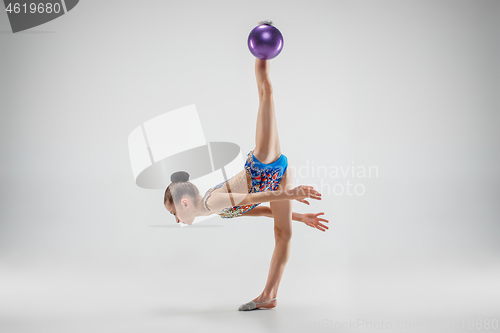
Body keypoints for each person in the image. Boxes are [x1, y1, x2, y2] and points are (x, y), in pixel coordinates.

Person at [164, 57, 329, 311]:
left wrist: (291, 193)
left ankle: (261, 52)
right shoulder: (214, 210)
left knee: (267, 94)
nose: (176, 219)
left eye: (174, 213)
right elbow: (260, 210)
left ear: (183, 203)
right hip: (276, 180)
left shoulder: (212, 201)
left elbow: (253, 199)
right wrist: (299, 216)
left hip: (262, 165)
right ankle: (269, 296)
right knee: (283, 234)